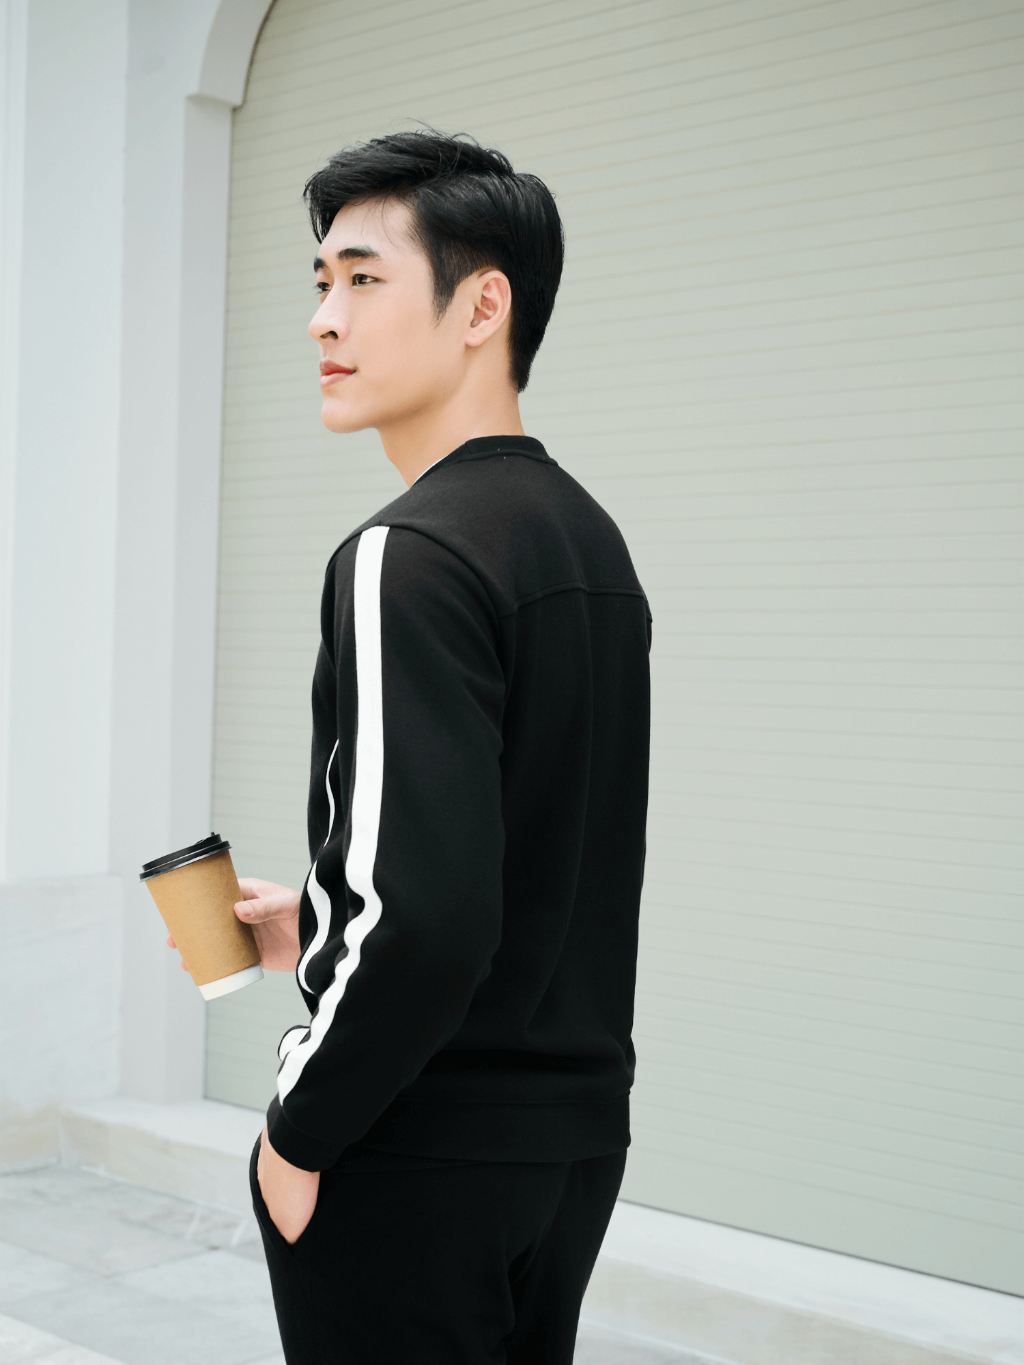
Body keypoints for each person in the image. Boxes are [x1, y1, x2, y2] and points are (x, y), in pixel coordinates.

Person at [171, 131, 650, 1364]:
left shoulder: (406, 551)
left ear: (483, 306)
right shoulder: (587, 541)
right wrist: (325, 924)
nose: (323, 319)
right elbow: (534, 866)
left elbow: (428, 921)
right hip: (568, 1146)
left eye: (363, 279)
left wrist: (297, 1135)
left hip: (411, 1147)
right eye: (319, 283)